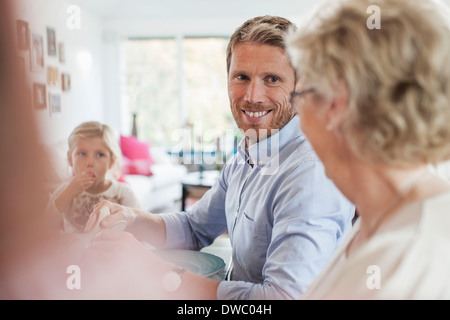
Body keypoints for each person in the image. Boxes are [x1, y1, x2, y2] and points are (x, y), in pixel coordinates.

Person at [85, 15, 355, 300]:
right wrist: (133, 219)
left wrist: (154, 270)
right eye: (242, 77)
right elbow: (194, 228)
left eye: (272, 79)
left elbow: (282, 299)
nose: (253, 95)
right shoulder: (247, 152)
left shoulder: (310, 174)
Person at [286, 0, 450, 299]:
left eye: (301, 94)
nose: (297, 111)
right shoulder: (380, 218)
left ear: (337, 103)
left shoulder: (409, 260)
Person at [47, 121, 140, 232]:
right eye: (82, 154)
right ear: (71, 159)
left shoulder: (123, 193)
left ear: (111, 161)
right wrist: (68, 193)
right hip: (74, 249)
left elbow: (140, 227)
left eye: (99, 155)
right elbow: (45, 225)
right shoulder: (65, 190)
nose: (90, 163)